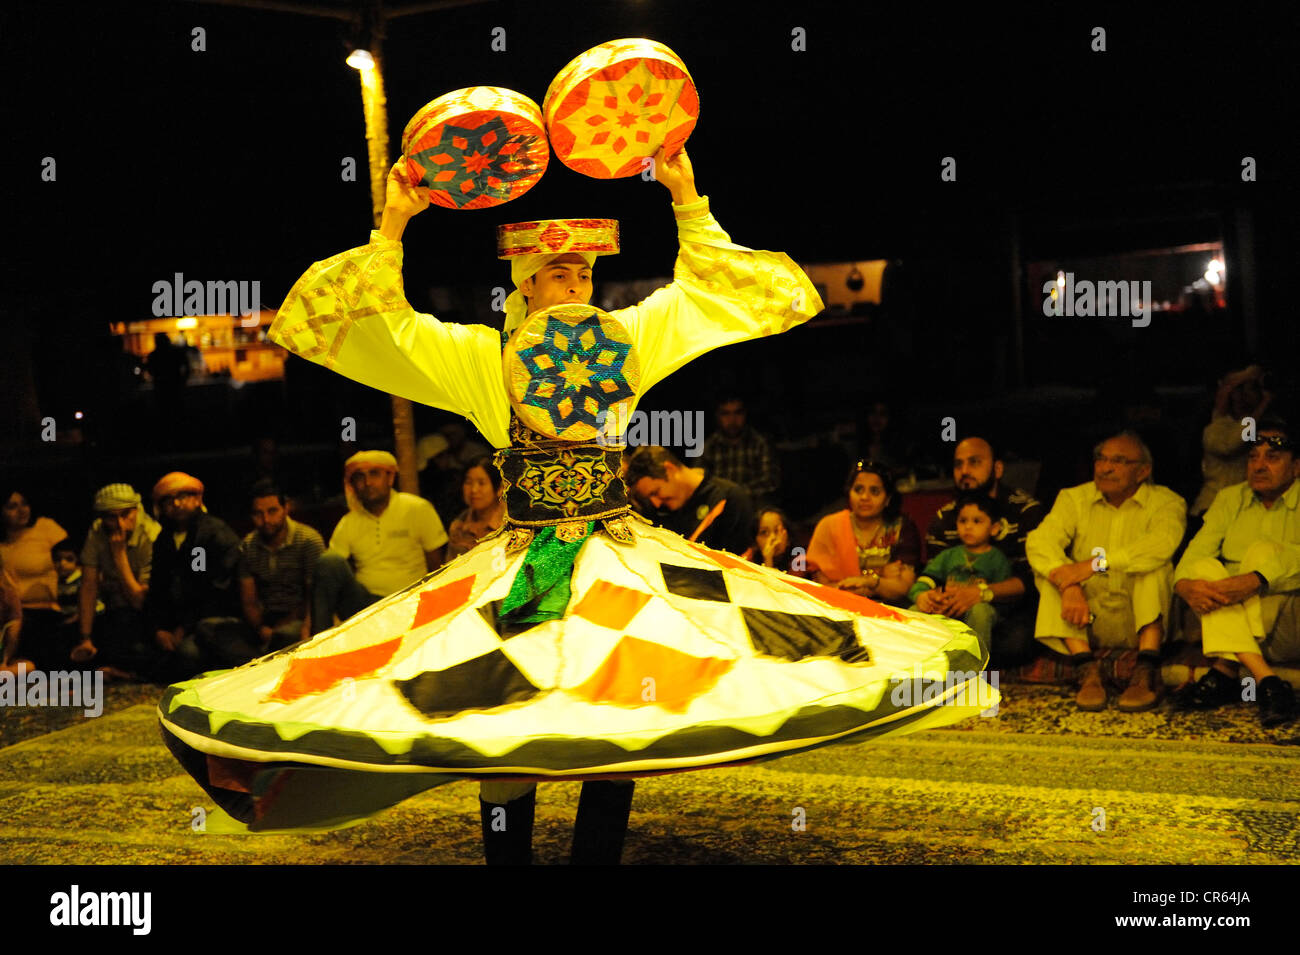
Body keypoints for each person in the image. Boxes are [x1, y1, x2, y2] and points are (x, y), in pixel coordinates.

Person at [159, 140, 994, 869]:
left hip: (624, 554)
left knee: (621, 714)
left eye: (586, 267)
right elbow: (385, 328)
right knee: (501, 709)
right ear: (525, 279)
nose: (577, 278)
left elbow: (714, 300)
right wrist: (394, 225)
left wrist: (683, 195)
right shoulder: (484, 357)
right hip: (530, 562)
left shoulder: (626, 339)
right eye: (560, 268)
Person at [1026, 432, 1187, 712]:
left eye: (1119, 461)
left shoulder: (1167, 502)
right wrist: (1069, 584)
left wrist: (1092, 565)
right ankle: (1087, 670)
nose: (1105, 467)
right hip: (1086, 617)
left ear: (1143, 471)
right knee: (1050, 570)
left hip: (1142, 618)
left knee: (1152, 566)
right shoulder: (1073, 498)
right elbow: (1040, 541)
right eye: (1101, 458)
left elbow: (1162, 544)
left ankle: (1145, 672)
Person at [1173, 423, 1299, 726]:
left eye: (1272, 457)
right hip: (1238, 620)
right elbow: (1195, 553)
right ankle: (1267, 680)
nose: (1259, 465)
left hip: (1289, 620)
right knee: (1203, 569)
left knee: (1264, 552)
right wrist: (1186, 585)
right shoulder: (1230, 498)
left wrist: (1255, 579)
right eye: (1253, 457)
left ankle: (1225, 669)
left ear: (1296, 467)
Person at [925, 437, 1046, 668]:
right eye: (958, 465)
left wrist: (981, 593)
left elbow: (1033, 580)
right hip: (953, 609)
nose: (964, 471)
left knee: (1017, 641)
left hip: (1009, 608)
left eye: (974, 463)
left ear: (997, 469)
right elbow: (934, 574)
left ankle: (970, 666)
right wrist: (934, 597)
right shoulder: (944, 518)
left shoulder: (1025, 511)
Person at [312, 450, 448, 633]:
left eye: (374, 474)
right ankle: (318, 640)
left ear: (390, 478)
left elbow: (437, 567)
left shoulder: (416, 508)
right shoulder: (349, 522)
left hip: (410, 600)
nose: (367, 483)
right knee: (329, 562)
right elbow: (327, 574)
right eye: (360, 477)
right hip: (366, 606)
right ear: (353, 485)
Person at [145, 472, 249, 680]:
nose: (176, 503)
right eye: (168, 500)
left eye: (182, 496)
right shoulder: (164, 539)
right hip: (177, 622)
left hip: (213, 620)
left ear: (198, 499)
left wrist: (184, 628)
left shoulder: (209, 534)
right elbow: (157, 587)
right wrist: (159, 629)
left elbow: (207, 589)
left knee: (188, 654)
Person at [71, 483, 161, 677]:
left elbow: (140, 601)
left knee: (135, 643)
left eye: (125, 515)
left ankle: (128, 672)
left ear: (136, 510)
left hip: (146, 612)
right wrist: (85, 637)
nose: (120, 524)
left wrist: (119, 555)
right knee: (70, 639)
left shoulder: (151, 535)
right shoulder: (97, 531)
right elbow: (88, 586)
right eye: (112, 517)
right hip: (111, 607)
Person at [807, 461, 919, 605]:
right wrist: (878, 579)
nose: (865, 497)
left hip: (890, 610)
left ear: (888, 499)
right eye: (858, 489)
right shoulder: (829, 526)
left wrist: (867, 582)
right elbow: (823, 587)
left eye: (874, 491)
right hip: (836, 607)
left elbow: (903, 587)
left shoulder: (901, 527)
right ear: (849, 493)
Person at [909, 495, 1013, 646]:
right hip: (947, 610)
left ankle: (974, 664)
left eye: (977, 521)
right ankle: (918, 663)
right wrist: (922, 596)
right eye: (963, 521)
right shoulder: (949, 555)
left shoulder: (997, 559)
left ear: (994, 528)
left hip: (979, 610)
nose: (968, 526)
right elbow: (926, 579)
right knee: (914, 610)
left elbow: (1006, 597)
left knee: (980, 612)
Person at [239, 480, 325, 652]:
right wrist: (261, 628)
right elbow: (249, 600)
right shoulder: (248, 545)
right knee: (211, 628)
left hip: (300, 619)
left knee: (288, 636)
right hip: (263, 621)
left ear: (286, 508)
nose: (266, 520)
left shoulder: (308, 540)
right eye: (258, 514)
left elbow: (314, 596)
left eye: (272, 511)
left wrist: (281, 628)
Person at [624, 445, 756, 554]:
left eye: (656, 492)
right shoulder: (654, 511)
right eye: (650, 497)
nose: (656, 503)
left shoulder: (730, 499)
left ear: (670, 469)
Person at [1191, 364, 1272, 518]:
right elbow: (1234, 443)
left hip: (1250, 507)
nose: (1245, 394)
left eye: (1252, 388)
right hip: (1213, 507)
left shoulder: (1269, 425)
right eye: (1240, 388)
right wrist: (1264, 401)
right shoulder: (1217, 427)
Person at [0, 491, 67, 672]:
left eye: (24, 504)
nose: (21, 511)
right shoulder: (3, 547)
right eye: (12, 506)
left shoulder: (44, 527)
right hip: (12, 612)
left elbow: (70, 557)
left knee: (26, 627)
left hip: (45, 609)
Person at [699, 394, 781, 505]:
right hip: (717, 507)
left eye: (738, 413)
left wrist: (735, 494)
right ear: (717, 416)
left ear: (745, 414)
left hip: (753, 507)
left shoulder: (760, 442)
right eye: (725, 414)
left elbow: (770, 481)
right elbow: (698, 482)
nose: (732, 420)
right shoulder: (708, 446)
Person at [445, 456, 504, 561]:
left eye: (481, 483)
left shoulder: (509, 524)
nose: (474, 490)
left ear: (499, 488)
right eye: (468, 482)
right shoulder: (458, 525)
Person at [741, 507, 806, 577]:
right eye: (764, 532)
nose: (773, 538)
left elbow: (789, 587)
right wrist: (768, 560)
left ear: (788, 536)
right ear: (756, 542)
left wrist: (768, 562)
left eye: (777, 531)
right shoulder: (750, 556)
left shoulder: (799, 556)